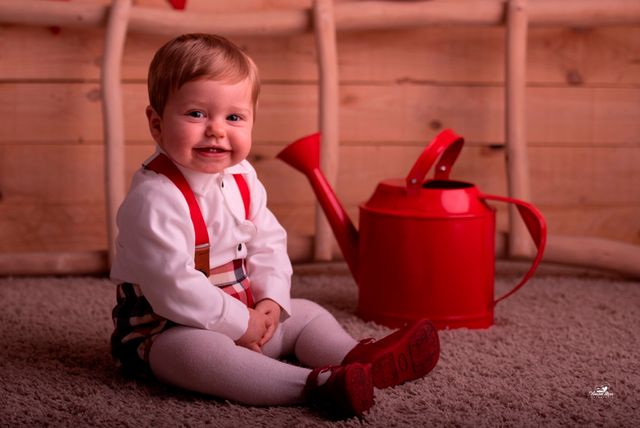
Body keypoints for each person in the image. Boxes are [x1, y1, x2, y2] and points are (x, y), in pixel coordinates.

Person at [110, 33, 440, 418]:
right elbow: (174, 289)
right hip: (168, 329)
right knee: (197, 354)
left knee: (306, 314)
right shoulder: (155, 198)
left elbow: (268, 242)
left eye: (234, 117)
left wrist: (269, 304)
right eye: (197, 114)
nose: (217, 129)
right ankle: (314, 385)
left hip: (249, 315)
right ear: (156, 123)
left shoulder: (242, 177)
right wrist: (239, 325)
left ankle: (360, 360)